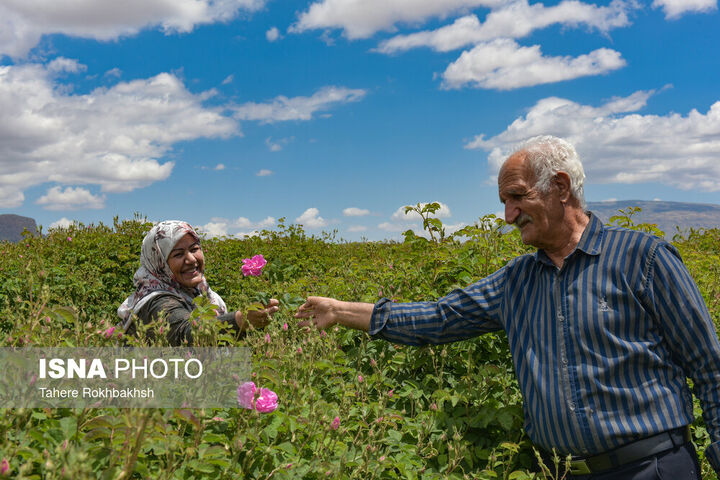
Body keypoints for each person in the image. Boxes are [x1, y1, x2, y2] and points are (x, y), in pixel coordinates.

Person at [295, 136, 720, 478]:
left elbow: (709, 366)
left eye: (516, 197)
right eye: (503, 201)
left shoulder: (642, 258)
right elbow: (440, 317)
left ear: (560, 187)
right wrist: (340, 310)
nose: (507, 214)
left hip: (653, 466)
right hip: (563, 472)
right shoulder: (516, 281)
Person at [118, 220, 278, 346]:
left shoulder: (202, 293)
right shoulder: (155, 302)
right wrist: (239, 320)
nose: (191, 259)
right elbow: (184, 333)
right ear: (160, 263)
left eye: (194, 249)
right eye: (178, 254)